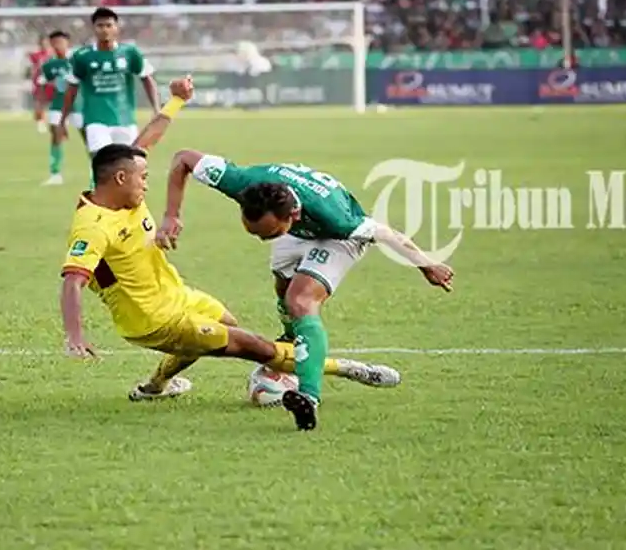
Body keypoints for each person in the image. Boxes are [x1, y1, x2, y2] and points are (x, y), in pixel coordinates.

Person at [60, 77, 401, 409]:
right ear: (121, 178)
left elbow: (145, 142)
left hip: (175, 295)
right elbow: (73, 280)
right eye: (143, 178)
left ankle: (156, 386)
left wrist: (176, 100)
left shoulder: (114, 186)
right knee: (257, 348)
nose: (147, 185)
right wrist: (75, 336)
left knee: (226, 325)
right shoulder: (93, 226)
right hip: (152, 318)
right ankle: (349, 369)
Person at [155, 152, 454, 431]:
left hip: (336, 239)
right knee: (283, 290)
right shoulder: (242, 182)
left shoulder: (338, 219)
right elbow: (184, 158)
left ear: (293, 214)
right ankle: (292, 342)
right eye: (255, 233)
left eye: (268, 234)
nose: (261, 240)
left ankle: (308, 397)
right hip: (296, 233)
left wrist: (427, 265)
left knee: (300, 301)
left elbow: (387, 234)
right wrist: (171, 214)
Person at [56, 8, 159, 161]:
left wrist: (156, 109)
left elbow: (147, 78)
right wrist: (62, 120)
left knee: (127, 164)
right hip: (95, 120)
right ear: (93, 28)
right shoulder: (82, 56)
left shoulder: (130, 53)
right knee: (102, 163)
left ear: (116, 28)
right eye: (100, 25)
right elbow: (71, 89)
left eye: (109, 25)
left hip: (125, 120)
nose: (104, 29)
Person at [35, 30, 83, 186]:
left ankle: (98, 172)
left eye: (60, 42)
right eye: (54, 43)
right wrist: (39, 106)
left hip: (78, 104)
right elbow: (42, 85)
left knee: (88, 137)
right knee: (55, 133)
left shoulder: (78, 60)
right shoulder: (50, 65)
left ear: (68, 43)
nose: (57, 45)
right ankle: (55, 174)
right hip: (59, 103)